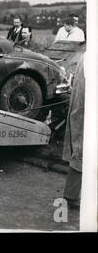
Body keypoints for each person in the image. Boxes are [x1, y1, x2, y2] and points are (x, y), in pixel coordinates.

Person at [63, 54, 85, 209]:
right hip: (85, 108)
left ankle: (71, 194)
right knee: (81, 150)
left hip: (81, 108)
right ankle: (71, 195)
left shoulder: (86, 56)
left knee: (80, 148)